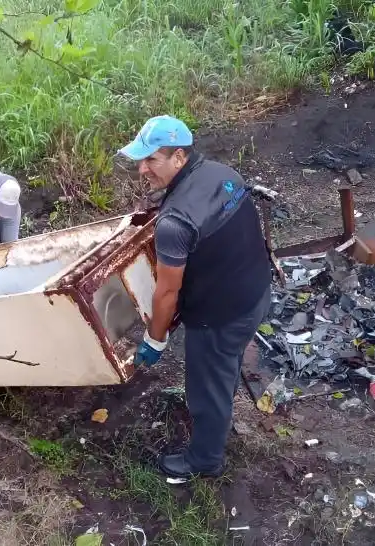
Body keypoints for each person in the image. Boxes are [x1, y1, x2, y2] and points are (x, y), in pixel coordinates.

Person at [120, 115, 273, 479]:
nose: (142, 169)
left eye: (151, 160)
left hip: (220, 316)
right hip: (255, 292)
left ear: (179, 157)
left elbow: (167, 291)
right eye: (141, 160)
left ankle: (204, 460)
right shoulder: (224, 175)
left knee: (206, 387)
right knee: (225, 368)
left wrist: (154, 340)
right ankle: (222, 406)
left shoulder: (176, 222)